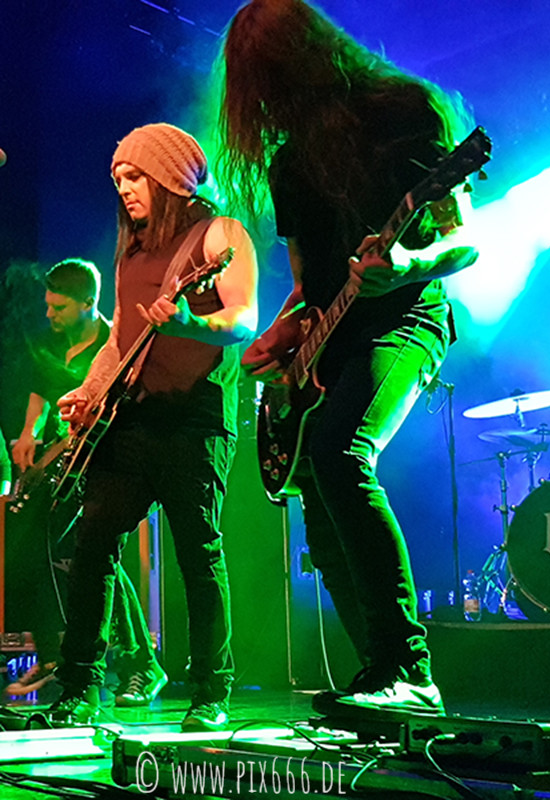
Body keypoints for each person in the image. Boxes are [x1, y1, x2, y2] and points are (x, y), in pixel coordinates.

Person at [217, 0, 479, 716]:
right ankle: (382, 683)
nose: (261, 103)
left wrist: (406, 265)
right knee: (319, 498)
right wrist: (282, 333)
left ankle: (409, 668)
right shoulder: (289, 162)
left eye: (265, 81)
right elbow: (309, 287)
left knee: (339, 453)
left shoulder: (404, 112)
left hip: (408, 316)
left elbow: (464, 240)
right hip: (333, 339)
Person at [50, 122, 258, 731]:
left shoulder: (220, 234)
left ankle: (210, 692)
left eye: (135, 176)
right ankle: (79, 687)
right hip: (134, 417)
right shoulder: (132, 250)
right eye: (118, 179)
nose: (124, 189)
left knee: (198, 551)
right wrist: (88, 392)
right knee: (93, 542)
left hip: (197, 417)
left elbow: (244, 319)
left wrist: (190, 325)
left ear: (170, 178)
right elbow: (121, 337)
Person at [8, 259, 167, 706]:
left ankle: (139, 662)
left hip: (103, 465)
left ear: (88, 303)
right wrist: (29, 433)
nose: (49, 315)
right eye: (48, 305)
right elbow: (40, 390)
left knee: (94, 556)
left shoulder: (111, 342)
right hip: (62, 466)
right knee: (45, 554)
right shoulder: (51, 342)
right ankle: (59, 655)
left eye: (58, 307)